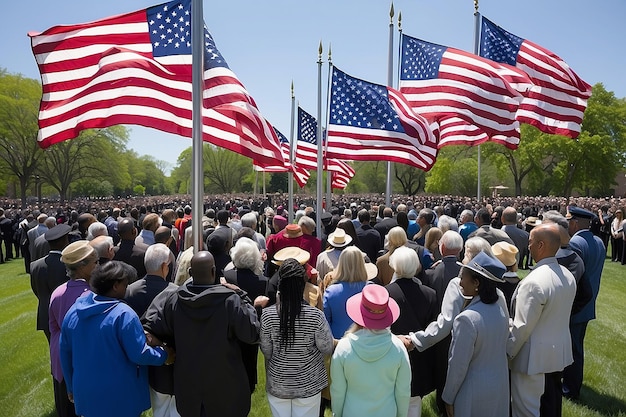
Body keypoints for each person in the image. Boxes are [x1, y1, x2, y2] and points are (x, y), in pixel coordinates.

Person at [143, 251, 261, 417]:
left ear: (191, 273)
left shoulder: (174, 300)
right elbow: (252, 333)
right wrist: (242, 295)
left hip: (189, 389)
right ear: (214, 271)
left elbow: (148, 331)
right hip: (226, 389)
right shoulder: (230, 300)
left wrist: (165, 350)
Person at [60, 261, 172, 417]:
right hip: (120, 397)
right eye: (125, 285)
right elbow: (139, 353)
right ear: (115, 286)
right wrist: (164, 354)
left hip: (85, 393)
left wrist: (71, 388)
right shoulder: (124, 314)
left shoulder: (73, 311)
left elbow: (64, 353)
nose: (127, 288)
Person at [508, 223, 577, 417]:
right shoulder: (568, 276)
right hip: (557, 356)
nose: (527, 246)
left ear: (540, 245)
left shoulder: (533, 282)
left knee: (526, 412)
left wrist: (506, 353)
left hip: (532, 362)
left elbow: (521, 328)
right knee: (550, 408)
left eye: (530, 242)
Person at [260, 258, 334, 417]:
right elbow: (327, 347)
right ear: (303, 285)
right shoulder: (315, 316)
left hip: (279, 384)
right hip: (309, 385)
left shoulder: (268, 315)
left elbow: (266, 351)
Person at [441, 251, 509, 417]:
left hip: (473, 394)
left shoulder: (466, 319)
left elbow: (458, 366)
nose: (461, 282)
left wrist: (448, 398)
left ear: (476, 283)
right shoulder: (500, 309)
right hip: (499, 389)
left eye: (463, 277)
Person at [330, 284, 410, 417]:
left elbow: (338, 391)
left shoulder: (343, 348)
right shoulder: (398, 348)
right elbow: (403, 392)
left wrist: (337, 414)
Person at [386, 247, 438, 417]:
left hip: (390, 358)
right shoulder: (430, 294)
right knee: (413, 405)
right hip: (419, 360)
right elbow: (433, 329)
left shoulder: (385, 293)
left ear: (394, 266)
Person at [49, 240, 98, 417]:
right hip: (82, 363)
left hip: (60, 361)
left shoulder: (57, 292)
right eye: (95, 262)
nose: (98, 266)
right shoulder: (92, 295)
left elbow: (53, 328)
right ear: (82, 267)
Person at [563, 206, 605, 401]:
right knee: (576, 346)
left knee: (572, 349)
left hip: (576, 304)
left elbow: (575, 278)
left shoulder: (576, 243)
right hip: (588, 303)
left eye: (570, 221)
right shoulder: (599, 241)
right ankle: (572, 384)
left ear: (575, 223)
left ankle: (571, 389)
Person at [223, 237, 270, 393]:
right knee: (250, 360)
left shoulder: (227, 276)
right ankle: (249, 385)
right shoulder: (263, 281)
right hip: (252, 327)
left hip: (230, 328)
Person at [30, 223, 73, 341]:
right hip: (65, 313)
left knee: (54, 351)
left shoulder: (35, 265)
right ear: (65, 241)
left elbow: (36, 289)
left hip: (45, 314)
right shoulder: (68, 265)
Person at [322, 246, 371, 339]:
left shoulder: (331, 292)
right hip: (366, 343)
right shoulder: (371, 290)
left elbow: (325, 323)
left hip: (338, 343)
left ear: (341, 264)